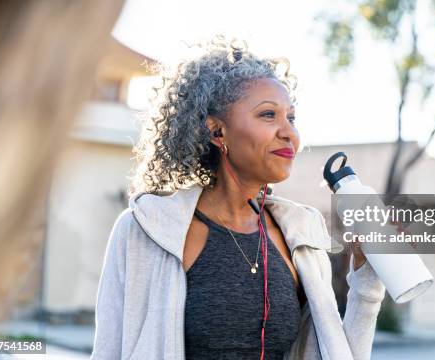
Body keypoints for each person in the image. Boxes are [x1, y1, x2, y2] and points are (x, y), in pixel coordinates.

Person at [90, 36, 386, 360]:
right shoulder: (145, 231)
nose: (289, 133)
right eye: (268, 115)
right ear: (218, 132)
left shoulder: (301, 236)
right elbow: (108, 351)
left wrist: (366, 283)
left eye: (292, 118)